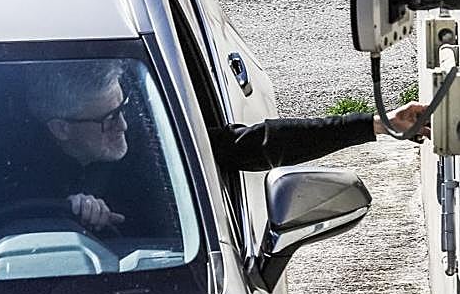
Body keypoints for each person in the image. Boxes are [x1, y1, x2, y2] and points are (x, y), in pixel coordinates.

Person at [26, 59, 428, 231]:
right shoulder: (13, 173)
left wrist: (379, 124)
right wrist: (67, 215)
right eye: (106, 119)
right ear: (60, 128)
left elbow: (255, 144)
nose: (124, 125)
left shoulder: (158, 140)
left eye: (123, 107)